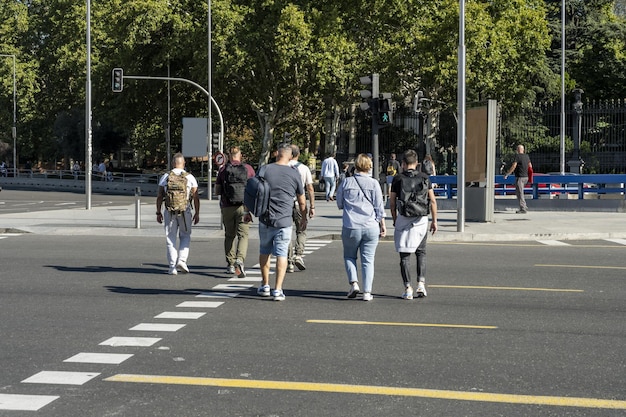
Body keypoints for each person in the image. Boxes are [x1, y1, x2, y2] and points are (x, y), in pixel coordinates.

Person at [256, 144, 307, 301]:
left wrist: (247, 211)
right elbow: (301, 200)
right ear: (290, 157)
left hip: (265, 218)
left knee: (265, 251)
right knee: (282, 254)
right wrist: (303, 217)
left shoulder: (264, 169)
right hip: (284, 220)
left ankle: (265, 285)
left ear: (277, 154)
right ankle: (277, 289)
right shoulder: (294, 174)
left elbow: (254, 191)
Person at [336, 153, 386, 301]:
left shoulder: (346, 182)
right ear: (369, 166)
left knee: (349, 256)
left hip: (351, 225)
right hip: (370, 225)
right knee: (368, 260)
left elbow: (339, 203)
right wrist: (382, 224)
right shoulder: (374, 183)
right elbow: (379, 207)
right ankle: (367, 292)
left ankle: (354, 283)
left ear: (355, 166)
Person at [389, 149, 438, 300]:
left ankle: (407, 287)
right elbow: (433, 201)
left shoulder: (397, 179)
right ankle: (421, 284)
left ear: (403, 164)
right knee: (421, 252)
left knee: (404, 255)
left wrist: (395, 218)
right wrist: (434, 221)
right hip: (421, 219)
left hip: (404, 218)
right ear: (416, 163)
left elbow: (392, 202)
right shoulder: (425, 177)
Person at [156, 153, 200, 275]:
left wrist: (158, 212)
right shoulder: (190, 177)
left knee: (170, 238)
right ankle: (182, 260)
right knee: (185, 236)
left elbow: (160, 196)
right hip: (185, 211)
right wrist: (197, 213)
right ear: (183, 163)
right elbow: (196, 197)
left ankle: (172, 267)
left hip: (169, 211)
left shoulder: (165, 177)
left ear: (173, 163)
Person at [215, 146, 255, 276]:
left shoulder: (223, 170)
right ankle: (240, 259)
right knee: (243, 235)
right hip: (244, 207)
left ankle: (230, 264)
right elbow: (254, 189)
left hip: (227, 207)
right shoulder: (248, 169)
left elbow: (217, 191)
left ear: (229, 156)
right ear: (240, 155)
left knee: (229, 235)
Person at [287, 144, 315, 272]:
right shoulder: (304, 168)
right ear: (298, 154)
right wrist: (312, 206)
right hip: (300, 203)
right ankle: (298, 255)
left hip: (285, 204)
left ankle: (289, 262)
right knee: (301, 229)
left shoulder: (282, 167)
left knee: (286, 232)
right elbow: (309, 188)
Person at [504, 144, 533, 214]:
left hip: (520, 177)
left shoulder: (517, 156)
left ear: (518, 150)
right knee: (519, 192)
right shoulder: (527, 156)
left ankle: (523, 208)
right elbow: (530, 166)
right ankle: (524, 206)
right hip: (526, 177)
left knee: (520, 193)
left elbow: (514, 166)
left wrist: (508, 174)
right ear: (523, 150)